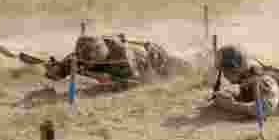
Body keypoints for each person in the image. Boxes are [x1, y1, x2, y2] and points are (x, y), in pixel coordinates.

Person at [43, 34, 191, 85]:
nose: (86, 62)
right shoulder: (84, 53)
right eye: (85, 59)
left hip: (154, 59)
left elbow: (131, 81)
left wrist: (97, 76)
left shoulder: (123, 58)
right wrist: (56, 69)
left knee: (179, 70)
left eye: (91, 59)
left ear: (99, 53)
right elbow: (66, 67)